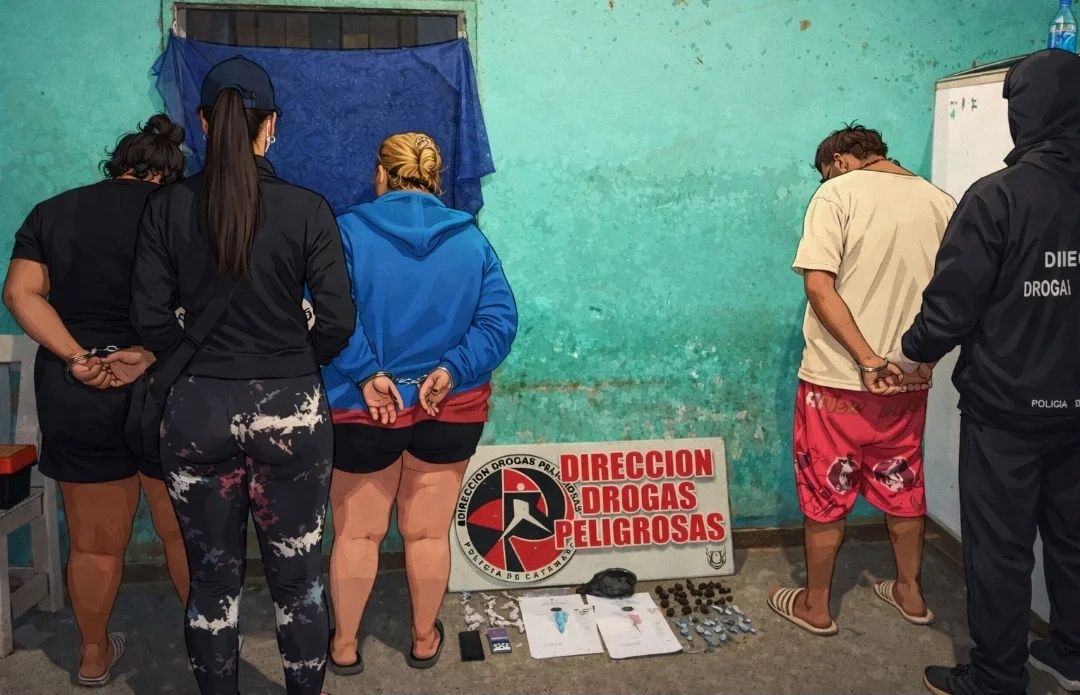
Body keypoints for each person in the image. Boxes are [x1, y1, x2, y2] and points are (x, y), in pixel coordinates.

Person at [129, 57, 355, 695]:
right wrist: (295, 359)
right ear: (271, 125)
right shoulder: (308, 209)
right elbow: (337, 319)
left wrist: (194, 360)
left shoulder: (167, 207)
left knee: (211, 582)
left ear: (203, 123)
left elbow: (149, 317)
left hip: (196, 410)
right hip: (292, 407)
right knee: (299, 582)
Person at [886, 50, 1080, 695]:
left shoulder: (1000, 196)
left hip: (1008, 410)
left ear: (1025, 112)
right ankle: (1074, 653)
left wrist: (911, 354)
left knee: (1000, 546)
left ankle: (998, 676)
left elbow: (952, 304)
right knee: (1074, 537)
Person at [2, 115, 190, 686]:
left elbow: (20, 293)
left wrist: (78, 357)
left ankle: (91, 655)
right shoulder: (183, 213)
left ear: (119, 165)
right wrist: (149, 353)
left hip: (75, 391)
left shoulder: (53, 211)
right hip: (166, 387)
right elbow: (206, 305)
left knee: (93, 543)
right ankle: (205, 644)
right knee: (184, 532)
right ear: (167, 174)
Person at [323, 132, 517, 673]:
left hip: (363, 409)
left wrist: (367, 373)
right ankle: (425, 637)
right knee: (429, 532)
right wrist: (452, 369)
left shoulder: (345, 232)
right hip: (450, 407)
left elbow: (329, 317)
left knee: (357, 532)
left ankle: (343, 646)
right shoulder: (471, 240)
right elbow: (499, 322)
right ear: (436, 179)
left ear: (380, 175)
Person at [766, 124, 956, 637]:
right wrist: (922, 360)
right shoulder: (941, 202)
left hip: (836, 382)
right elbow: (956, 294)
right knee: (903, 481)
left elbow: (818, 285)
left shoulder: (837, 194)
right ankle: (910, 592)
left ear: (841, 160)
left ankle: (816, 605)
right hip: (908, 381)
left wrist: (867, 360)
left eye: (825, 172)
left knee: (826, 489)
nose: (825, 181)